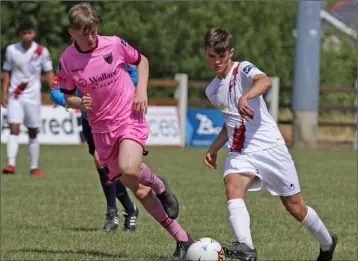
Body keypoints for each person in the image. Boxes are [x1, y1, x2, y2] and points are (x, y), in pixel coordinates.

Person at [57, 3, 193, 259]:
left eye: (93, 30)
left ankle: (161, 186)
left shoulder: (114, 44)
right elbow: (65, 96)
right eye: (83, 32)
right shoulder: (67, 60)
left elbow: (142, 61)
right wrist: (77, 102)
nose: (90, 37)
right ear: (71, 33)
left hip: (129, 116)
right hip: (101, 129)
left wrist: (141, 89)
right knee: (139, 190)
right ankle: (183, 239)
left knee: (130, 168)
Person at [202, 28, 337, 261]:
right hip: (241, 150)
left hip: (270, 148)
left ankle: (327, 242)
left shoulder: (243, 68)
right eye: (212, 55)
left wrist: (246, 96)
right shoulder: (212, 90)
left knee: (295, 207)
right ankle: (246, 248)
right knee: (232, 185)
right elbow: (230, 121)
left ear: (230, 53)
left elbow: (264, 81)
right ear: (205, 53)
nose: (217, 61)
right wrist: (214, 148)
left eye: (221, 55)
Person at [50, 63, 139, 232]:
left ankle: (114, 211)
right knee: (107, 166)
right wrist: (77, 103)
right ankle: (128, 209)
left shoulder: (108, 50)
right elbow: (55, 92)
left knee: (107, 163)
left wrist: (132, 90)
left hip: (116, 117)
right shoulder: (68, 60)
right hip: (89, 121)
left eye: (90, 33)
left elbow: (133, 68)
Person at [1, 19, 54, 177]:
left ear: (34, 33)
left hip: (33, 97)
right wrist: (4, 93)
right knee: (14, 128)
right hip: (15, 95)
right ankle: (10, 164)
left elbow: (49, 73)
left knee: (33, 131)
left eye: (29, 32)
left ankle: (33, 167)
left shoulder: (41, 51)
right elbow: (7, 73)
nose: (26, 35)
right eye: (23, 32)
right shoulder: (11, 50)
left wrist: (54, 93)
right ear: (19, 34)